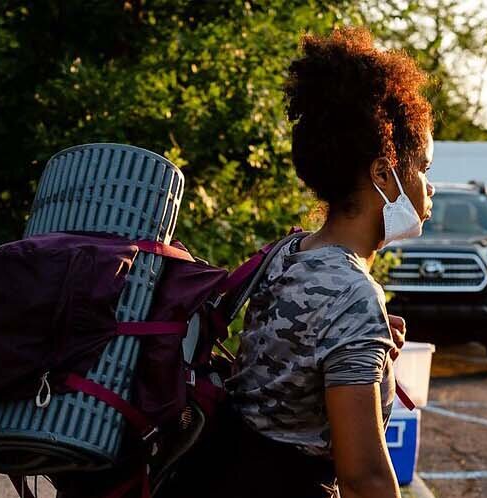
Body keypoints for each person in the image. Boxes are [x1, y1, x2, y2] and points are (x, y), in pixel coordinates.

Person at [164, 26, 434, 498]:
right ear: (382, 173)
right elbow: (364, 477)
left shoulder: (288, 253)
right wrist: (359, 325)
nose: (429, 188)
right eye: (424, 169)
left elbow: (282, 375)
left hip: (217, 475)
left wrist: (367, 346)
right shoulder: (351, 293)